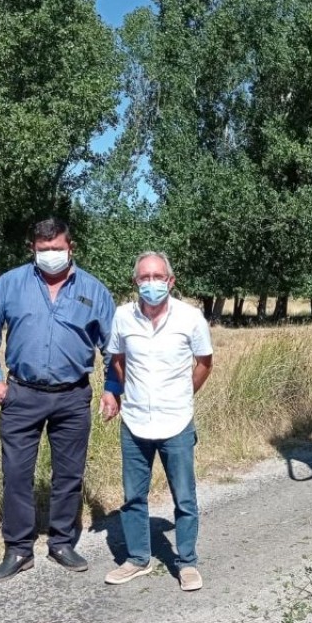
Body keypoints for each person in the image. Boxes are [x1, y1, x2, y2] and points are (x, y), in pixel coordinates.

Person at [0, 218, 122, 583]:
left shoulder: (93, 290)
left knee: (69, 475)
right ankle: (19, 549)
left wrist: (112, 387)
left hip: (72, 396)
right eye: (43, 250)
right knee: (16, 474)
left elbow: (113, 344)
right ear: (32, 250)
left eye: (57, 248)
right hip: (21, 393)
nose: (50, 255)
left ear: (71, 248)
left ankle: (61, 542)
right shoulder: (10, 284)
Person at [102, 251, 213, 592]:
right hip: (135, 422)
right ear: (135, 281)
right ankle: (138, 559)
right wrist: (121, 393)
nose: (151, 283)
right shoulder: (123, 317)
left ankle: (187, 562)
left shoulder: (190, 318)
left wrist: (181, 394)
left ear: (171, 281)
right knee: (134, 496)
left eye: (158, 277)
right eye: (144, 277)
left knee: (185, 497)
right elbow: (117, 360)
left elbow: (205, 363)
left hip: (176, 421)